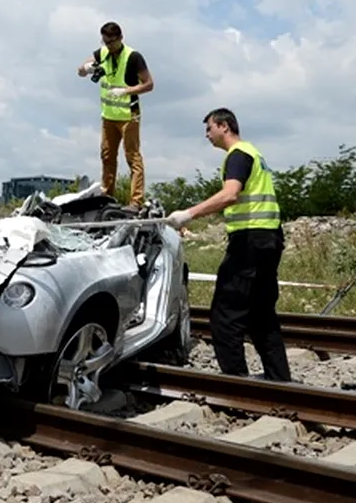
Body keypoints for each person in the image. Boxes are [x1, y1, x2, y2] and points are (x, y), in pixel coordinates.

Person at [166, 108, 291, 382]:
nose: (207, 135)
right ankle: (279, 379)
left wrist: (189, 213)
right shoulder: (254, 153)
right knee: (261, 314)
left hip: (248, 242)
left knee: (226, 314)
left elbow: (230, 194)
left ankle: (235, 383)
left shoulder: (237, 155)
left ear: (223, 126)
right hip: (269, 239)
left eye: (209, 129)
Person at [75, 21, 153, 208]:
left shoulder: (133, 57)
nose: (108, 46)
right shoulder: (101, 53)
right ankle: (107, 196)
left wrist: (126, 91)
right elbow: (79, 72)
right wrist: (87, 69)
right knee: (107, 156)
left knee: (132, 157)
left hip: (128, 115)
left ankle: (136, 201)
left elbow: (149, 84)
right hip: (108, 116)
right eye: (105, 42)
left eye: (111, 42)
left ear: (120, 38)